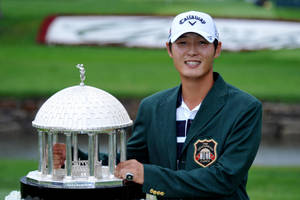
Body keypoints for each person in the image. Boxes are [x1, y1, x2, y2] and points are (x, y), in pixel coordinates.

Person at [54, 11, 262, 199]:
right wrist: (76, 159)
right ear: (169, 49)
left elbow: (223, 179)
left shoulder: (244, 108)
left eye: (202, 43)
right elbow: (127, 162)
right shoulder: (152, 108)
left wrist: (150, 175)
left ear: (217, 49)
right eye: (182, 43)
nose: (192, 51)